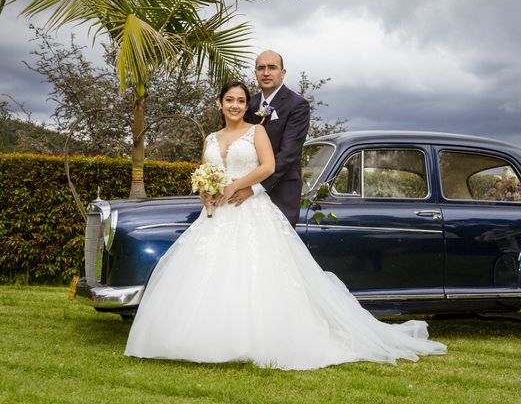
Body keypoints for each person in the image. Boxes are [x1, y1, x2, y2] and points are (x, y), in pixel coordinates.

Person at [124, 80, 446, 370]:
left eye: (240, 100)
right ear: (219, 104)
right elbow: (205, 172)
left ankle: (254, 339)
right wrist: (205, 195)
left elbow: (269, 165)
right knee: (209, 275)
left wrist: (236, 186)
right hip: (216, 215)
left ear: (245, 105)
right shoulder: (210, 137)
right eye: (229, 100)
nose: (235, 105)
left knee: (255, 276)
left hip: (250, 210)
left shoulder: (256, 131)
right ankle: (198, 339)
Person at [228, 50, 310, 227]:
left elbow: (288, 154)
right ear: (255, 73)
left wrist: (254, 188)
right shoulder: (248, 104)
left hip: (281, 192)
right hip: (242, 193)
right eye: (261, 68)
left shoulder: (297, 105)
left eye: (272, 67)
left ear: (283, 72)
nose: (266, 73)